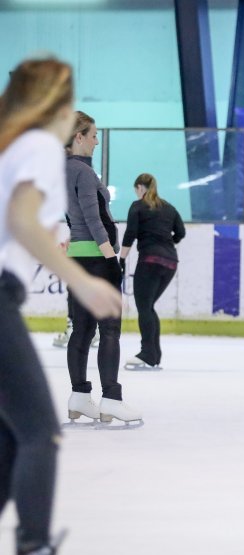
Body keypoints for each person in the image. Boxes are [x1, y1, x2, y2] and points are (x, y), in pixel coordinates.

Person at [0, 57, 121, 555]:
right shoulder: (36, 147)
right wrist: (83, 282)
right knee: (39, 433)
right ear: (59, 102)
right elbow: (23, 221)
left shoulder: (10, 146)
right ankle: (34, 550)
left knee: (11, 435)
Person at [65, 111, 142, 425]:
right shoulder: (82, 172)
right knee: (110, 331)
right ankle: (111, 398)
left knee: (82, 330)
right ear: (79, 137)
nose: (97, 141)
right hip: (98, 259)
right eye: (93, 135)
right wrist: (111, 258)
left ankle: (80, 396)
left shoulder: (61, 169)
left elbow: (73, 218)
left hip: (78, 258)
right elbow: (94, 217)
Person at [120, 173, 185, 370]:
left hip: (149, 260)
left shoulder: (137, 206)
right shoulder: (169, 207)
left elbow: (130, 234)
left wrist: (121, 259)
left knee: (144, 307)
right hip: (170, 262)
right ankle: (154, 354)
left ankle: (148, 353)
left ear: (140, 187)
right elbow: (181, 232)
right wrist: (167, 244)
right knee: (149, 306)